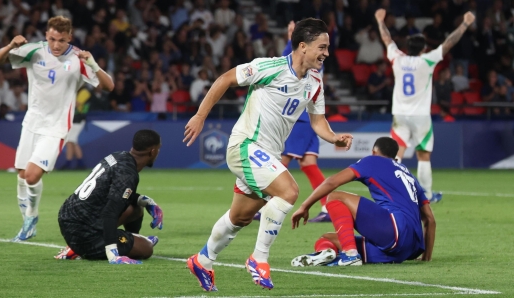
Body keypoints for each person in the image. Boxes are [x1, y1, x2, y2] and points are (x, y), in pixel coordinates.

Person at [183, 18, 353, 291]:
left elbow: (318, 121)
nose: (326, 53)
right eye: (322, 47)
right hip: (245, 146)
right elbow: (226, 78)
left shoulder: (315, 81)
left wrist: (334, 137)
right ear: (302, 46)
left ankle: (202, 260)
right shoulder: (269, 66)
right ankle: (259, 258)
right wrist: (201, 115)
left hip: (268, 155)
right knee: (288, 191)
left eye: (328, 47)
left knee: (239, 217)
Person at [0, 16, 115, 242]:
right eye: (51, 39)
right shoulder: (35, 50)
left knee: (31, 176)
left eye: (60, 39)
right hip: (31, 123)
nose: (55, 45)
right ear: (46, 36)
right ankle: (28, 220)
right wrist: (10, 45)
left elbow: (109, 86)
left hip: (56, 127)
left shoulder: (79, 58)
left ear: (69, 36)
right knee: (22, 174)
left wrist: (93, 63)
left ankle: (31, 218)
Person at [375, 9, 475, 203]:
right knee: (423, 155)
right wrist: (465, 24)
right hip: (420, 115)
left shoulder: (398, 58)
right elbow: (449, 43)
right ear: (422, 49)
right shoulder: (426, 60)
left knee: (396, 154)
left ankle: (389, 193)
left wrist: (380, 21)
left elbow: (387, 39)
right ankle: (427, 196)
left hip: (400, 114)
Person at [291, 137, 436, 266]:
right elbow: (430, 220)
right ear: (395, 157)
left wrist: (305, 206)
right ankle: (327, 252)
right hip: (409, 248)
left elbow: (332, 182)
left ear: (374, 152)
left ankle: (350, 255)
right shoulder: (408, 174)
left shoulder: (373, 160)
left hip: (394, 230)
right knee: (326, 239)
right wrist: (426, 258)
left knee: (334, 196)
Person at [254, 20, 332, 223]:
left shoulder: (306, 62)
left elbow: (286, 65)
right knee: (308, 164)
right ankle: (328, 207)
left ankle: (265, 206)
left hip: (301, 118)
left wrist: (292, 39)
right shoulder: (316, 63)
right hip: (309, 116)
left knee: (280, 162)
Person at [55, 129, 163, 264]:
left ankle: (130, 240)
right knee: (146, 248)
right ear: (152, 151)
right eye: (158, 149)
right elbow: (110, 212)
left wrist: (147, 202)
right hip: (85, 234)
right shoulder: (128, 174)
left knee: (135, 208)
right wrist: (113, 254)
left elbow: (112, 192)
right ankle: (105, 246)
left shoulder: (118, 156)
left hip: (69, 218)